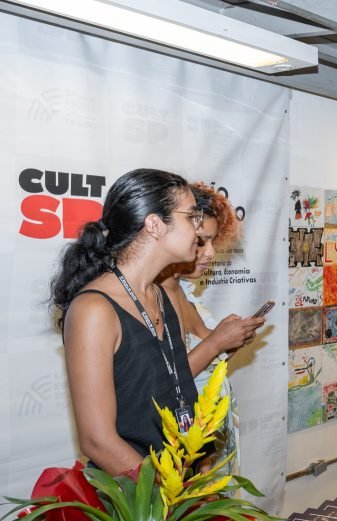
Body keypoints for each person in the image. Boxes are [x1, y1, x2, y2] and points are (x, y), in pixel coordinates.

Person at [50, 168, 201, 476]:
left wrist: (201, 474)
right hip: (135, 495)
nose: (197, 230)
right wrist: (169, 492)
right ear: (155, 224)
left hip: (182, 486)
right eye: (191, 217)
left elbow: (183, 391)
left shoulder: (162, 295)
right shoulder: (94, 309)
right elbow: (98, 441)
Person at [160, 182, 265, 473]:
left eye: (212, 242)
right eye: (200, 242)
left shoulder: (184, 291)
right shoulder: (157, 297)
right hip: (187, 448)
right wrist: (217, 341)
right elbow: (170, 380)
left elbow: (205, 367)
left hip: (211, 437)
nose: (209, 253)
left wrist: (229, 343)